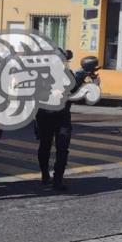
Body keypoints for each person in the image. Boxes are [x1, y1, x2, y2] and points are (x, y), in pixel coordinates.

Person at [35, 49, 81, 192]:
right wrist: (50, 93)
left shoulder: (68, 73)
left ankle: (58, 178)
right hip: (45, 115)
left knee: (63, 148)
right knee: (45, 145)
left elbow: (75, 89)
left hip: (63, 116)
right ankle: (44, 174)